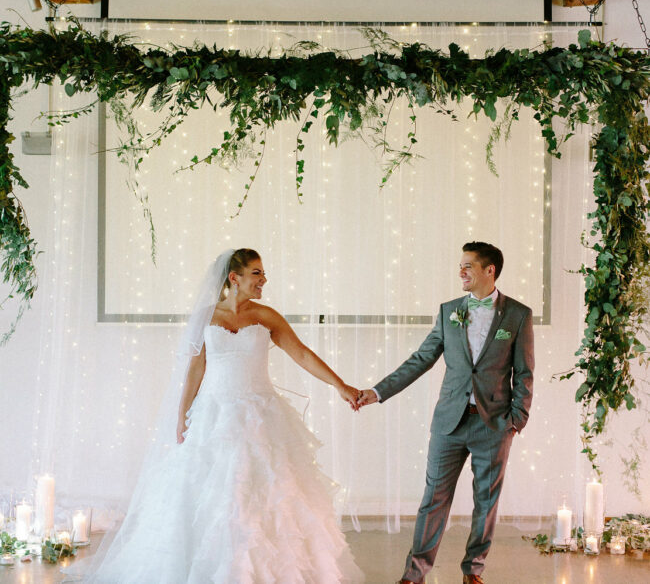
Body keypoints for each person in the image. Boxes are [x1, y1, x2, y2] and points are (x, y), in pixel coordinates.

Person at [71, 248, 365, 583]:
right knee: (211, 498)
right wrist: (182, 415)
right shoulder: (207, 316)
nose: (263, 280)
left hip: (261, 416)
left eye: (263, 274)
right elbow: (195, 369)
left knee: (268, 494)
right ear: (233, 278)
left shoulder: (266, 316)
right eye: (256, 273)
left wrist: (340, 386)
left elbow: (300, 352)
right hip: (214, 418)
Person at [356, 242, 534, 584]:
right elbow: (420, 360)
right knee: (433, 499)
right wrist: (377, 392)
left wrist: (515, 421)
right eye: (460, 266)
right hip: (449, 423)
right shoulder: (448, 311)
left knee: (486, 501)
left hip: (494, 425)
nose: (461, 272)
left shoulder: (517, 315)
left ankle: (473, 572)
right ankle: (415, 573)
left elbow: (524, 373)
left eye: (467, 266)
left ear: (489, 271)